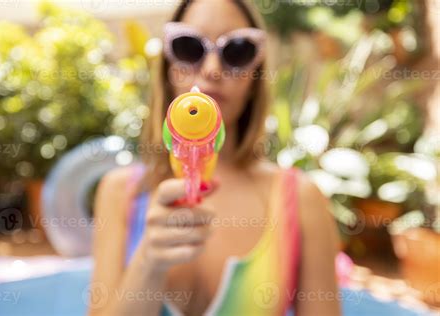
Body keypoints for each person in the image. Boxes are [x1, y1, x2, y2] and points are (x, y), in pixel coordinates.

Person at [89, 1, 341, 315]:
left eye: (237, 50)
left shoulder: (301, 199)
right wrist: (148, 262)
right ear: (167, 70)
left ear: (255, 77)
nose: (211, 69)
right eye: (189, 47)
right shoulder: (117, 192)